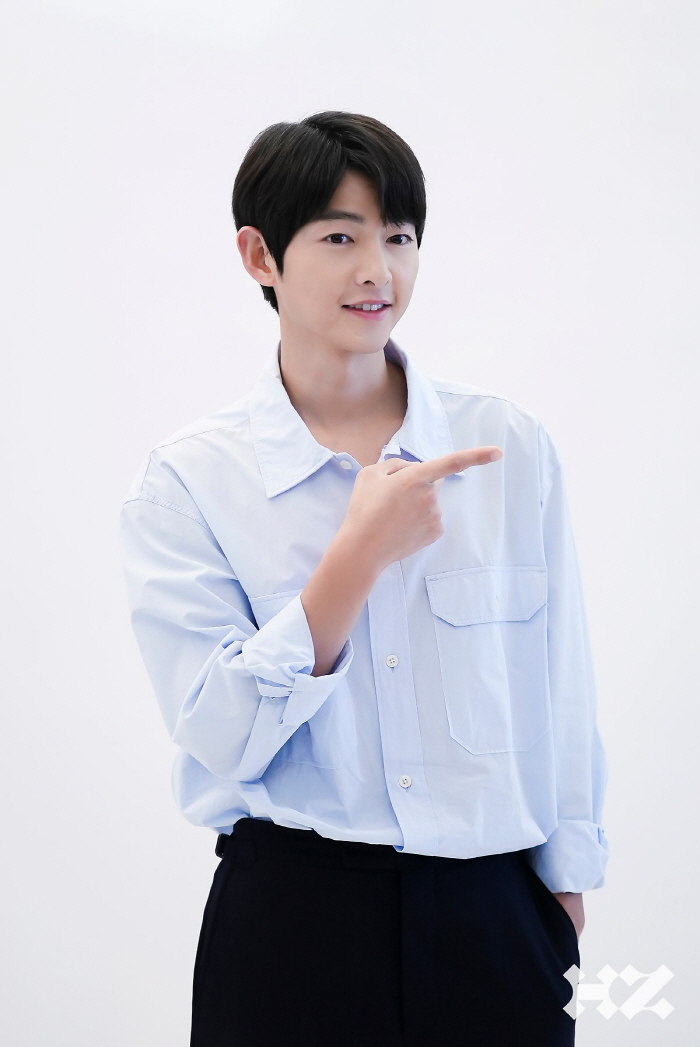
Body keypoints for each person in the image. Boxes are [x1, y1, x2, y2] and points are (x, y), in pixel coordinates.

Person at [118, 110, 610, 1047]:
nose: (377, 270)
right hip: (293, 920)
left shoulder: (506, 444)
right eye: (340, 238)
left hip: (496, 913)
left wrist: (563, 894)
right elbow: (219, 734)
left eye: (399, 237)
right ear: (260, 256)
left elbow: (562, 687)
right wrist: (354, 562)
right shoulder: (189, 481)